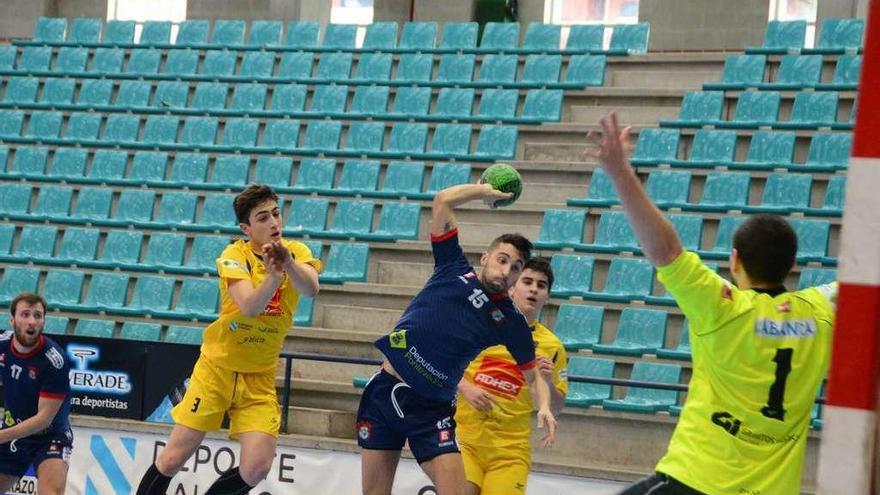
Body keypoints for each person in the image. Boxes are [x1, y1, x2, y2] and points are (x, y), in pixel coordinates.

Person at [586, 114, 836, 495]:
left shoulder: (725, 308)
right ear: (792, 265)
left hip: (697, 480)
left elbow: (666, 250)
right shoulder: (820, 313)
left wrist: (621, 174)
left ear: (734, 260)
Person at [356, 183, 558, 495]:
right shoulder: (452, 267)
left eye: (515, 267)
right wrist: (484, 191)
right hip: (387, 390)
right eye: (502, 260)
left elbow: (533, 376)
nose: (506, 270)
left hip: (432, 409)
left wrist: (543, 405)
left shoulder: (511, 322)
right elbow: (442, 201)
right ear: (486, 256)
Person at [135, 184, 322, 495]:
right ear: (246, 228)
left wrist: (287, 264)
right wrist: (274, 277)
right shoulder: (234, 255)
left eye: (276, 214)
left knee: (257, 467)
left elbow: (311, 289)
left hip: (258, 376)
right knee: (172, 459)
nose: (274, 223)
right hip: (217, 370)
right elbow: (249, 306)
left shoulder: (297, 252)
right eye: (263, 218)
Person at [456, 256, 568, 495]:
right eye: (527, 281)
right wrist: (466, 388)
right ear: (512, 285)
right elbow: (442, 365)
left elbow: (556, 408)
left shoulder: (553, 346)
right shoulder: (479, 325)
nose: (534, 289)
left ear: (547, 296)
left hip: (510, 452)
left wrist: (546, 380)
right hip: (466, 440)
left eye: (541, 285)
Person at [0, 292, 72, 495]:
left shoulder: (54, 360)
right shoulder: (2, 345)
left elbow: (43, 420)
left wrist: (1, 436)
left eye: (38, 316)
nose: (32, 321)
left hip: (49, 437)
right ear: (12, 319)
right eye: (25, 314)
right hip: (11, 430)